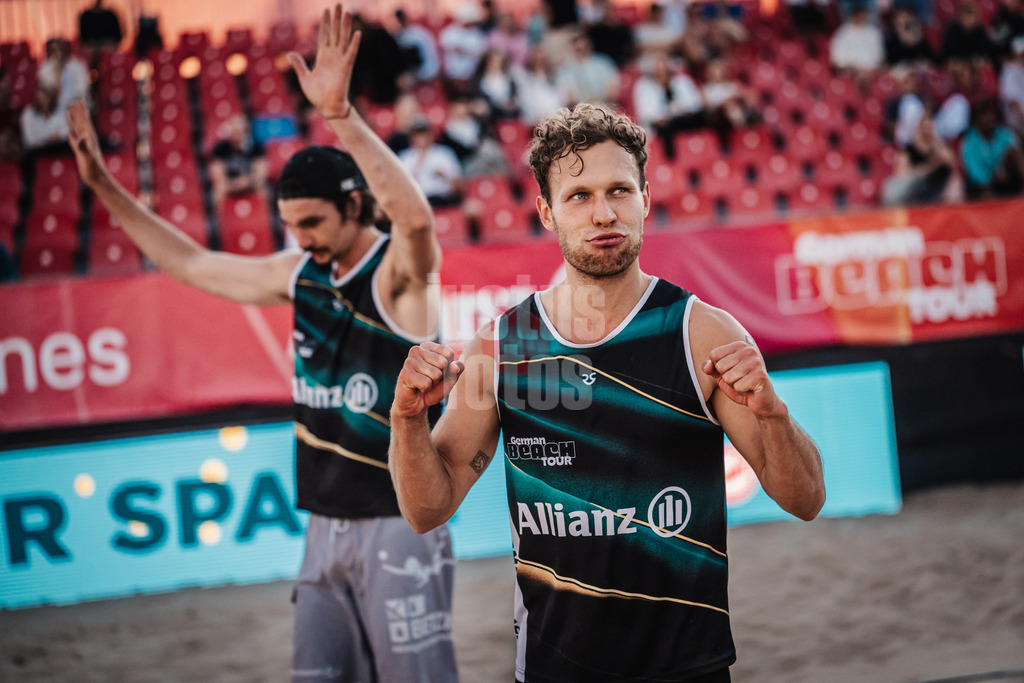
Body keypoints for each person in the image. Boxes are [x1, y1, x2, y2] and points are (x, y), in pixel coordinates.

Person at [66, 6, 458, 682]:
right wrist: (104, 186)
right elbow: (190, 264)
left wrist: (339, 116)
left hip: (400, 521)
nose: (298, 236)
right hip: (322, 525)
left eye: (311, 221)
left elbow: (417, 218)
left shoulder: (400, 277)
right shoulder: (298, 273)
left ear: (355, 207)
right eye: (290, 223)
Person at [388, 103, 826, 682]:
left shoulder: (701, 334)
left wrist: (773, 415)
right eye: (578, 196)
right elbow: (426, 510)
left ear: (645, 197)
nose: (603, 213)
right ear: (546, 211)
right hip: (554, 667)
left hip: (686, 668)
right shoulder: (501, 347)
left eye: (619, 190)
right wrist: (405, 420)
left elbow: (805, 499)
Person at [881, 109, 955, 205]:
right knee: (891, 188)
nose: (926, 130)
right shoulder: (908, 149)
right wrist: (929, 167)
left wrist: (934, 141)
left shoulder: (940, 146)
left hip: (937, 190)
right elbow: (902, 177)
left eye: (930, 126)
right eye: (924, 126)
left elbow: (951, 162)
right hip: (915, 191)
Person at [960, 97, 1024, 198]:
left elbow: (1016, 157)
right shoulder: (969, 142)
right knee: (982, 190)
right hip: (984, 186)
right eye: (984, 115)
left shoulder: (1004, 134)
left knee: (1013, 153)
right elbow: (975, 174)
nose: (989, 117)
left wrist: (1003, 172)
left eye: (990, 113)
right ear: (976, 119)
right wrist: (992, 178)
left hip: (1007, 178)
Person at [208, 113, 267, 212]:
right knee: (217, 192)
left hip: (250, 183)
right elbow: (218, 177)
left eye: (241, 132)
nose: (239, 135)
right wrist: (236, 184)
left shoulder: (256, 147)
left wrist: (248, 181)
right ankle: (219, 225)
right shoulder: (220, 148)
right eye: (236, 132)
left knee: (264, 190)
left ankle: (264, 222)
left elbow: (261, 174)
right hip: (230, 185)